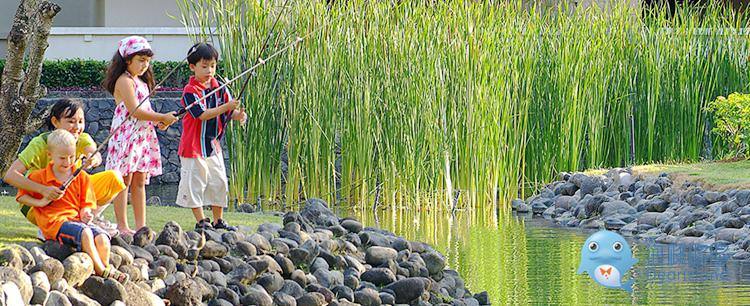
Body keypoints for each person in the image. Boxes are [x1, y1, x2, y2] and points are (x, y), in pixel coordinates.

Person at [16, 129, 129, 283]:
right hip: (54, 223)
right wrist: (41, 202)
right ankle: (101, 270)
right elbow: (21, 197)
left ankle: (104, 267)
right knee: (86, 233)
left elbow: (86, 202)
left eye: (71, 157)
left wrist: (86, 212)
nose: (67, 162)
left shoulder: (80, 176)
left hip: (76, 219)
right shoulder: (39, 176)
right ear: (50, 155)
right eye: (62, 158)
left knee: (103, 237)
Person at [3, 98, 125, 237]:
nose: (77, 127)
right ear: (55, 122)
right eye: (71, 121)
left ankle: (88, 219)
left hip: (69, 200)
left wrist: (92, 160)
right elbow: (10, 175)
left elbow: (94, 154)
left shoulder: (83, 138)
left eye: (80, 121)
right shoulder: (40, 143)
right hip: (40, 203)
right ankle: (48, 225)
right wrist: (44, 190)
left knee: (114, 178)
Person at [102, 35, 178, 235]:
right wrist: (162, 115)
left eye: (148, 61)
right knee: (123, 181)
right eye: (141, 60)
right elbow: (134, 111)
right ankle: (122, 225)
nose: (145, 65)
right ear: (128, 60)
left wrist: (158, 121)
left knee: (139, 181)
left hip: (142, 136)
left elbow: (146, 111)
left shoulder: (141, 82)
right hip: (126, 136)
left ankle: (141, 225)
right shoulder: (124, 81)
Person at [176, 42, 246, 230]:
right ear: (193, 67)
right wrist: (226, 107)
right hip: (193, 146)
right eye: (204, 66)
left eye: (213, 66)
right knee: (195, 183)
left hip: (212, 145)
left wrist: (237, 114)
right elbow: (202, 114)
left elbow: (227, 112)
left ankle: (218, 220)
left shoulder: (220, 87)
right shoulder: (190, 91)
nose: (209, 70)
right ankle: (201, 221)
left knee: (219, 181)